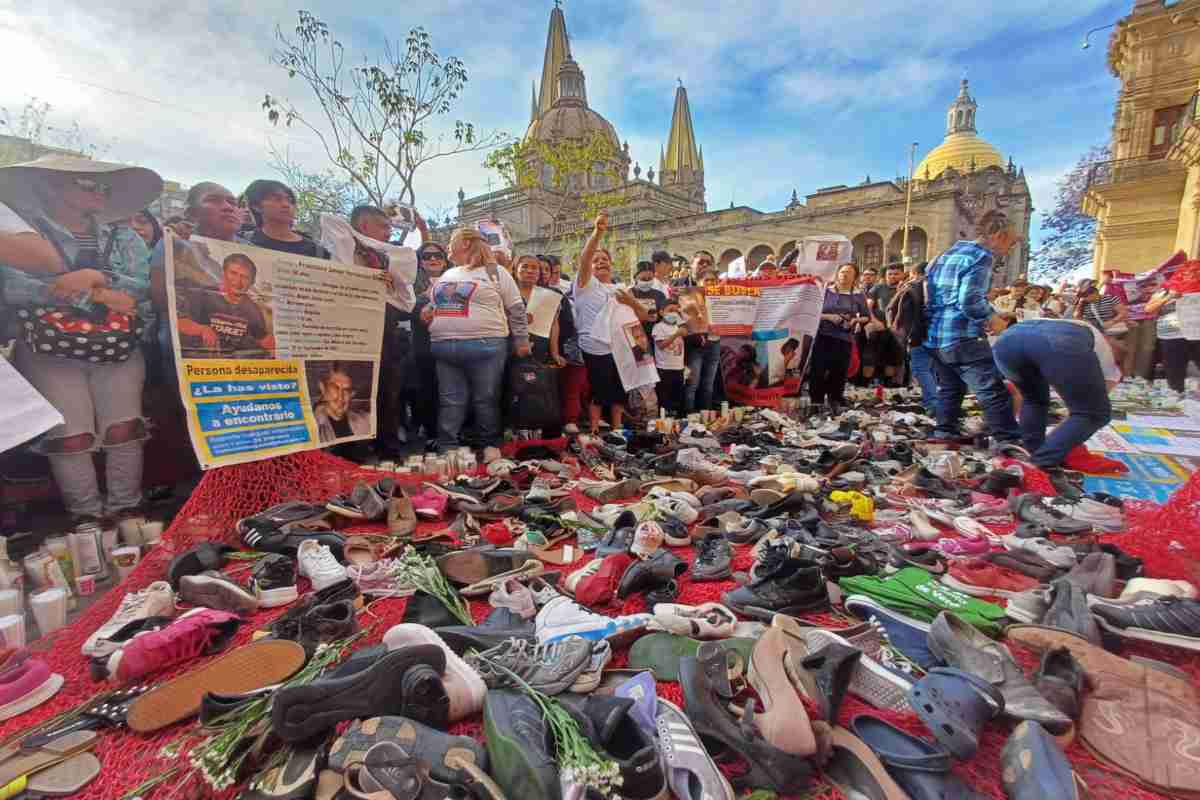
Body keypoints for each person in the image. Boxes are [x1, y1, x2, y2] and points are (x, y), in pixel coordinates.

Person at [0, 155, 162, 522]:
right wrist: (103, 292)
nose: (100, 192)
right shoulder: (24, 233)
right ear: (52, 185)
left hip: (119, 346)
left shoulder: (125, 235)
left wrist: (90, 282)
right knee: (70, 436)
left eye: (105, 186)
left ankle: (126, 509)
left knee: (125, 428)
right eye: (88, 184)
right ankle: (85, 516)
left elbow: (139, 291)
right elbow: (14, 287)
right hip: (46, 348)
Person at [422, 227, 529, 454]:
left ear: (465, 243)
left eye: (452, 240)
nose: (447, 245)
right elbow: (433, 304)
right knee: (450, 400)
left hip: (486, 347)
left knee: (485, 399)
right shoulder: (448, 274)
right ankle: (448, 448)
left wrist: (521, 341)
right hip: (444, 348)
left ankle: (489, 446)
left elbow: (516, 308)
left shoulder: (496, 272)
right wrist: (427, 311)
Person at [923, 217, 1021, 444]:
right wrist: (992, 318)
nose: (1009, 249)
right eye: (1011, 243)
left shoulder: (945, 255)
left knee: (950, 388)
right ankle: (1009, 441)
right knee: (991, 390)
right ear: (999, 236)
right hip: (963, 337)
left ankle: (945, 431)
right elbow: (969, 300)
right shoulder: (981, 256)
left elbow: (939, 296)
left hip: (936, 335)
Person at [349, 203, 429, 457]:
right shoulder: (340, 250)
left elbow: (404, 292)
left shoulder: (391, 256)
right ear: (364, 226)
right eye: (383, 227)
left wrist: (391, 284)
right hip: (352, 334)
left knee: (389, 392)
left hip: (388, 331)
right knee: (355, 392)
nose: (388, 232)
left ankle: (389, 449)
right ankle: (355, 451)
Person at [991, 316, 1121, 471]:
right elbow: (1091, 404)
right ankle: (1037, 464)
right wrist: (1067, 431)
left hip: (1007, 341)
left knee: (1034, 399)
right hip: (1058, 340)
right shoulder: (1106, 355)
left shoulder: (1073, 326)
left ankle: (1031, 452)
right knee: (1094, 413)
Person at [572, 211, 650, 432]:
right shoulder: (585, 285)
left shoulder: (621, 289)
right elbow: (585, 257)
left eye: (605, 260)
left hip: (621, 347)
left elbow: (645, 315)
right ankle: (594, 431)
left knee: (619, 390)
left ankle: (617, 430)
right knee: (598, 391)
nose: (600, 263)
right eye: (596, 260)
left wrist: (630, 301)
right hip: (594, 347)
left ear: (612, 264)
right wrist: (598, 233)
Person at [177, 253, 275, 358]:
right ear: (223, 273)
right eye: (233, 273)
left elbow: (263, 338)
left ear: (251, 282)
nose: (238, 281)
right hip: (200, 359)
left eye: (245, 277)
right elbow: (179, 322)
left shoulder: (253, 310)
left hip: (233, 363)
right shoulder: (202, 295)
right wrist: (202, 329)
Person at [809, 263, 870, 411]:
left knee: (839, 370)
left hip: (844, 337)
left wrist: (855, 320)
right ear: (837, 274)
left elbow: (866, 316)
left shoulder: (858, 295)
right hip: (823, 335)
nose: (844, 275)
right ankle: (816, 401)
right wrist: (829, 317)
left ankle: (835, 399)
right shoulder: (825, 291)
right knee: (818, 369)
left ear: (855, 277)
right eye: (842, 272)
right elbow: (813, 312)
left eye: (849, 272)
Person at [409, 241, 449, 448]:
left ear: (445, 260)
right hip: (425, 344)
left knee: (452, 390)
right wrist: (424, 297)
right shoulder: (411, 281)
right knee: (429, 388)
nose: (433, 259)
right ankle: (432, 432)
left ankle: (453, 431)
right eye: (427, 256)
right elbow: (404, 307)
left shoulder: (456, 278)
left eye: (438, 255)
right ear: (420, 261)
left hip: (453, 342)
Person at [243, 179, 332, 259]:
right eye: (277, 199)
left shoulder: (318, 252)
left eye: (289, 200)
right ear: (256, 206)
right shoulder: (243, 242)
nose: (286, 205)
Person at [1146, 286, 1199, 392]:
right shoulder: (1164, 291)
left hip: (1195, 334)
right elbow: (1149, 309)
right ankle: (1177, 396)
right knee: (1174, 371)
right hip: (1171, 337)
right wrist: (1169, 297)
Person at [683, 268, 722, 413]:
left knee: (708, 385)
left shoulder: (722, 298)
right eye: (707, 280)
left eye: (713, 281)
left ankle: (705, 417)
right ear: (698, 282)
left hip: (715, 343)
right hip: (697, 345)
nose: (710, 283)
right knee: (692, 384)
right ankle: (689, 417)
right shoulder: (689, 297)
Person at [515, 254, 564, 364]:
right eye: (525, 266)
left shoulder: (549, 296)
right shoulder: (508, 293)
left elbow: (554, 325)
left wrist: (555, 353)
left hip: (540, 351)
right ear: (516, 269)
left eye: (534, 268)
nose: (529, 271)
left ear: (539, 273)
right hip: (511, 350)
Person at [864, 261, 905, 385]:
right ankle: (866, 383)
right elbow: (868, 307)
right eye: (890, 274)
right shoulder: (878, 288)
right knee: (870, 357)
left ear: (902, 274)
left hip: (897, 329)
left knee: (892, 358)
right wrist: (875, 321)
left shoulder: (906, 288)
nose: (892, 276)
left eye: (896, 274)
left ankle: (888, 385)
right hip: (878, 328)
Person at [313, 362, 373, 442]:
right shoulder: (312, 425)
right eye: (335, 388)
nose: (340, 398)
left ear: (352, 393)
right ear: (323, 388)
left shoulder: (366, 421)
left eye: (346, 390)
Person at [652, 298, 687, 416]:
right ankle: (664, 420)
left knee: (677, 399)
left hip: (679, 368)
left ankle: (676, 420)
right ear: (661, 312)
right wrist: (676, 334)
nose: (674, 314)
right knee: (664, 401)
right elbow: (661, 345)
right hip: (664, 369)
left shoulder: (678, 326)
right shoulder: (658, 327)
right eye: (670, 310)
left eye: (676, 311)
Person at [630, 261, 667, 333]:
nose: (647, 282)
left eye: (650, 279)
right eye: (643, 279)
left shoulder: (660, 295)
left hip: (655, 334)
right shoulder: (628, 294)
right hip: (635, 334)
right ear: (635, 278)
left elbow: (664, 317)